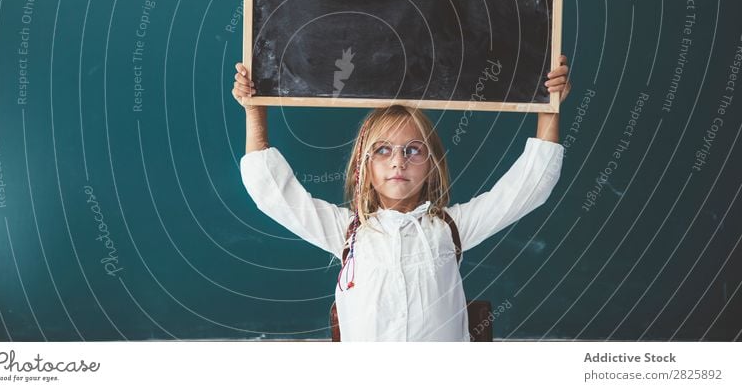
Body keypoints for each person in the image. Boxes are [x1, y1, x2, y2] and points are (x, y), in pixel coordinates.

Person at [232, 56, 571, 341]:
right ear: (363, 167)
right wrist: (254, 110)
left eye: (413, 150)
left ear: (432, 166)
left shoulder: (450, 228)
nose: (398, 161)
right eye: (382, 150)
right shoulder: (347, 231)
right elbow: (271, 191)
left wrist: (548, 106)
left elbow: (529, 187)